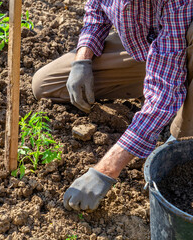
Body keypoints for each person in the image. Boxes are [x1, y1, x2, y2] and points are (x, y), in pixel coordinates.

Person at [32, 0, 193, 211]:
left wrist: (106, 170)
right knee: (45, 84)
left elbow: (164, 92)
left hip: (181, 46)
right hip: (148, 48)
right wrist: (83, 59)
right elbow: (96, 9)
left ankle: (183, 139)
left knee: (179, 157)